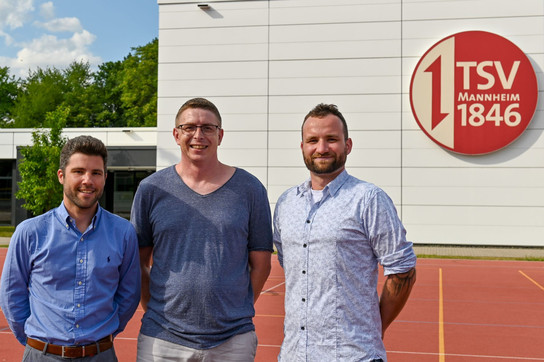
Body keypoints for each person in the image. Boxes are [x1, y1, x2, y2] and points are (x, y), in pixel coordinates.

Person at [131, 97, 274, 362]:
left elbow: (262, 265)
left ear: (220, 135)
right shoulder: (151, 190)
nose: (199, 135)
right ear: (176, 134)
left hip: (233, 340)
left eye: (208, 128)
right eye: (189, 127)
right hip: (162, 339)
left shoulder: (250, 189)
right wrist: (156, 310)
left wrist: (237, 309)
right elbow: (138, 263)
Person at [273, 103, 417, 361]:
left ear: (347, 145)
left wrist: (373, 329)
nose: (322, 148)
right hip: (294, 353)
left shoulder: (368, 199)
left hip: (353, 354)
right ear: (302, 147)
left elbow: (402, 269)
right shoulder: (286, 203)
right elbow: (291, 267)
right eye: (313, 140)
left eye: (331, 139)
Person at [0, 135, 141, 361]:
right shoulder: (30, 232)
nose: (88, 180)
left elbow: (129, 295)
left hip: (100, 355)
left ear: (105, 178)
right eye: (78, 171)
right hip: (42, 355)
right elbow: (11, 294)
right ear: (61, 176)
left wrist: (102, 338)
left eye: (96, 173)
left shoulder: (123, 233)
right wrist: (35, 342)